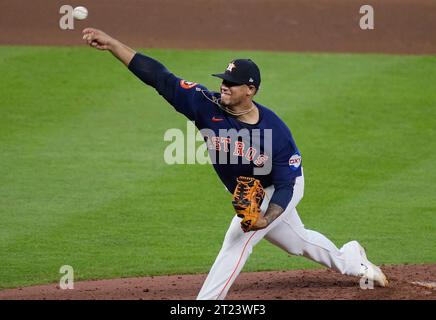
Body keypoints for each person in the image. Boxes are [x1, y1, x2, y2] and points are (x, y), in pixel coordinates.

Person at [82, 28, 388, 300]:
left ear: (250, 90)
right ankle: (353, 259)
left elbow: (285, 186)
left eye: (232, 83)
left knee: (238, 239)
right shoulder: (205, 105)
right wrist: (113, 45)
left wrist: (265, 219)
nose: (224, 86)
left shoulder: (276, 133)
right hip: (254, 189)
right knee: (298, 242)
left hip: (283, 187)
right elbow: (160, 77)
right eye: (224, 80)